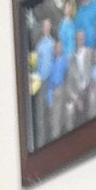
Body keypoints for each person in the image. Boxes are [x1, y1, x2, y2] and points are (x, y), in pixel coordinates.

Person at [33, 15, 55, 148]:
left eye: (48, 25)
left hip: (52, 82)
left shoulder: (53, 44)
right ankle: (41, 144)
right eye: (44, 25)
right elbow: (36, 66)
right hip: (41, 83)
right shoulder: (39, 46)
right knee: (40, 114)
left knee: (51, 111)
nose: (46, 28)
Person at [65, 26, 91, 131]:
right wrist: (76, 98)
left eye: (82, 37)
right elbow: (69, 82)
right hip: (76, 93)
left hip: (88, 90)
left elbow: (93, 71)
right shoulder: (70, 58)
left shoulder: (89, 53)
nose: (80, 40)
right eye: (78, 38)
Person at [46, 37, 68, 141]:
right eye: (57, 46)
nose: (58, 48)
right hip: (53, 89)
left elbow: (66, 73)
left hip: (61, 88)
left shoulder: (64, 59)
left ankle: (59, 137)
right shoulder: (52, 60)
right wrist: (49, 96)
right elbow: (49, 80)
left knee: (59, 115)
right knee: (53, 117)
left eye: (60, 46)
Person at [57, 0, 76, 65]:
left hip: (74, 56)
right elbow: (61, 44)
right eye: (67, 7)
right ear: (64, 10)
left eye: (69, 7)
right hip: (66, 57)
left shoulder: (73, 24)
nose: (68, 9)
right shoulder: (62, 26)